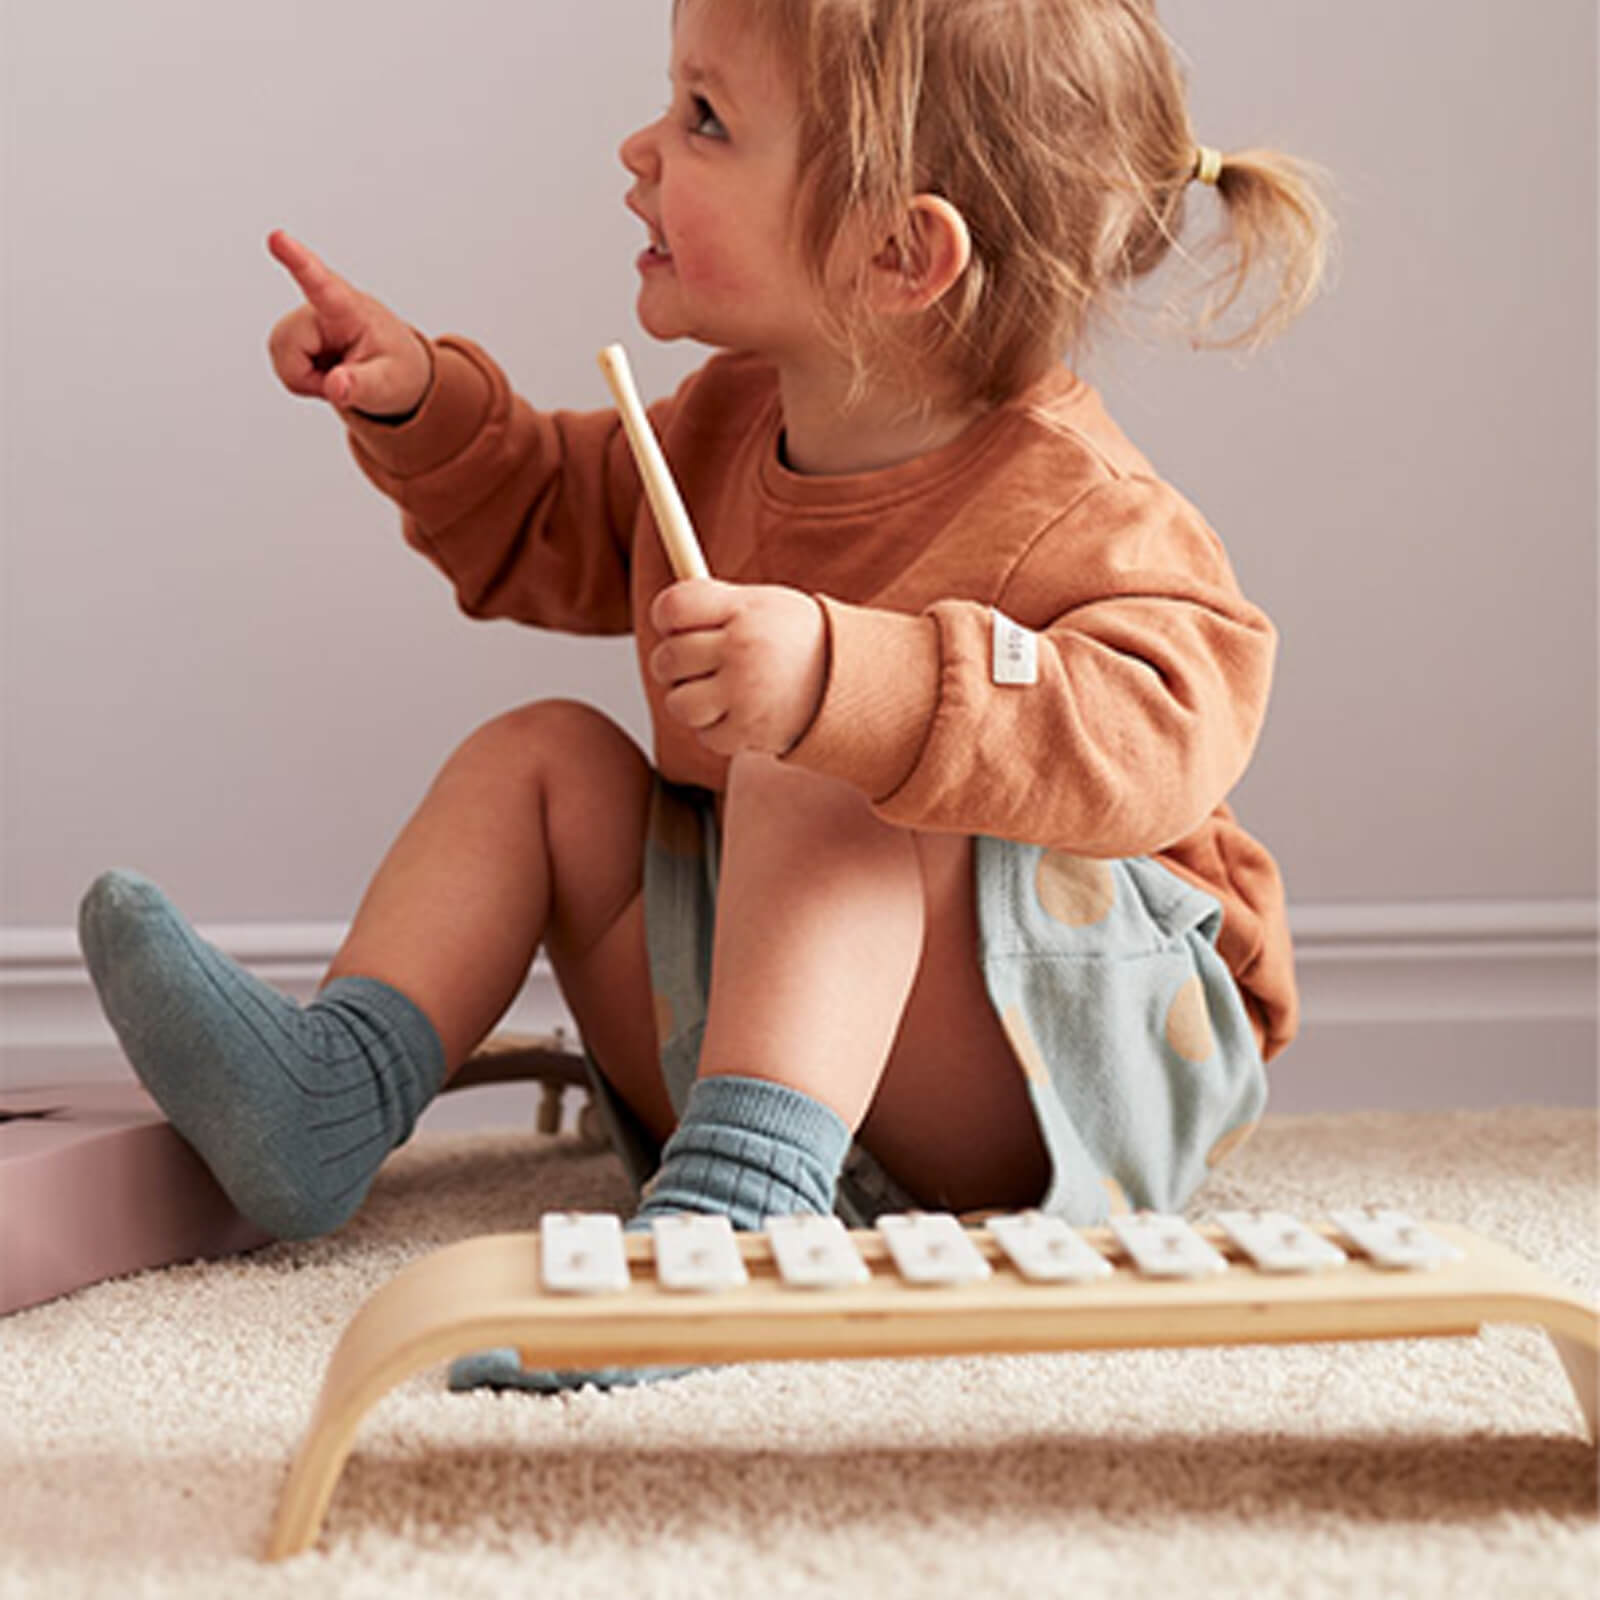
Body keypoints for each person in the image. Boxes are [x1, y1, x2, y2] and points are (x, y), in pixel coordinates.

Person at [79, 0, 1333, 1391]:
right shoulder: (726, 419)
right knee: (543, 754)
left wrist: (853, 681)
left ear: (898, 252)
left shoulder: (1082, 506)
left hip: (1067, 1061)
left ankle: (738, 1222)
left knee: (816, 768)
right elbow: (555, 517)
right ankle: (337, 1090)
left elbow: (1168, 726)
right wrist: (420, 403)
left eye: (705, 120)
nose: (640, 149)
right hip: (782, 1026)